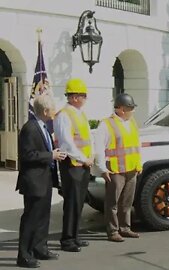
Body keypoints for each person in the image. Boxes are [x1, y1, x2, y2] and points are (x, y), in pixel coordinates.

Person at [16, 94, 67, 268]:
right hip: (33, 181)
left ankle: (40, 248)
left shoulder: (43, 126)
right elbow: (27, 155)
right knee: (31, 218)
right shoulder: (30, 128)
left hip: (44, 180)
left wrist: (54, 153)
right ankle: (24, 255)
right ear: (45, 110)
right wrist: (50, 155)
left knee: (43, 216)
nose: (54, 112)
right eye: (52, 108)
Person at [93, 93, 142, 242]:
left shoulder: (132, 122)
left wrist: (139, 163)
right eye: (130, 108)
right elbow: (99, 148)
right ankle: (113, 231)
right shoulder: (106, 124)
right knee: (112, 203)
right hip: (115, 170)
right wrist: (102, 168)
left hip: (131, 169)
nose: (133, 111)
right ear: (121, 109)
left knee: (127, 201)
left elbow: (137, 145)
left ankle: (125, 228)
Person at [53, 78, 93, 252]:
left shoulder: (79, 113)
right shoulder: (64, 115)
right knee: (72, 202)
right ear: (75, 97)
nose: (85, 98)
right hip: (72, 164)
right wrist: (84, 158)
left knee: (79, 202)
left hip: (83, 164)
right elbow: (67, 143)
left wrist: (89, 157)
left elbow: (87, 138)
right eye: (83, 95)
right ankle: (68, 240)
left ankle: (75, 236)